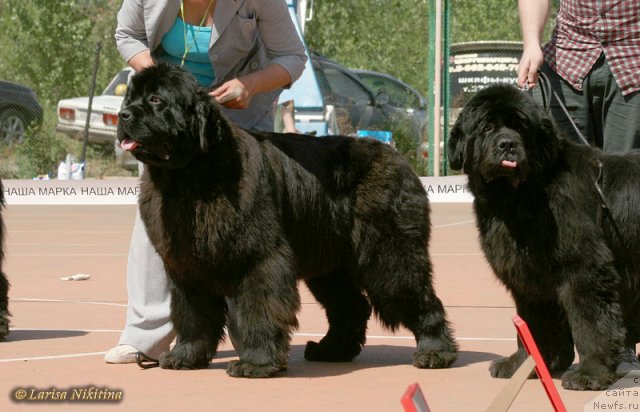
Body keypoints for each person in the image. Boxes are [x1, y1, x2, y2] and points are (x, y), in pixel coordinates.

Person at [105, 0, 307, 364]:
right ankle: (145, 336)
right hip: (164, 117)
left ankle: (252, 335)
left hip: (238, 113)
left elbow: (292, 57)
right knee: (159, 220)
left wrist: (249, 85)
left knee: (241, 225)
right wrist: (161, 82)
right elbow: (127, 34)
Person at [517, 0, 640, 152]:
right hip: (566, 60)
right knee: (558, 167)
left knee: (626, 169)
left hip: (633, 63)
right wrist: (531, 45)